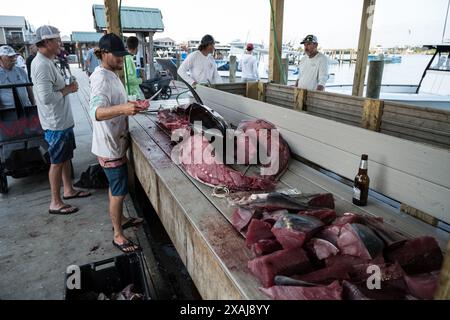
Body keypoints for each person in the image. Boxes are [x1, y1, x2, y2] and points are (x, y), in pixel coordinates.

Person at [89, 33, 145, 253]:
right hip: (108, 146)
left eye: (123, 54)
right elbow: (96, 112)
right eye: (117, 54)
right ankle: (118, 235)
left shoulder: (111, 73)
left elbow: (116, 101)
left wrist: (130, 104)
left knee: (116, 187)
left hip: (115, 140)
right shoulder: (101, 78)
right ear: (103, 54)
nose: (122, 58)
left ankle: (120, 218)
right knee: (119, 189)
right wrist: (124, 109)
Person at [31, 25, 91, 215]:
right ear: (46, 42)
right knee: (56, 161)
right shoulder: (41, 65)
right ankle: (55, 202)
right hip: (55, 123)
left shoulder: (48, 61)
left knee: (65, 157)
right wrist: (68, 89)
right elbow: (46, 98)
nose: (60, 43)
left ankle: (68, 189)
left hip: (62, 120)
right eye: (56, 40)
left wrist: (65, 86)